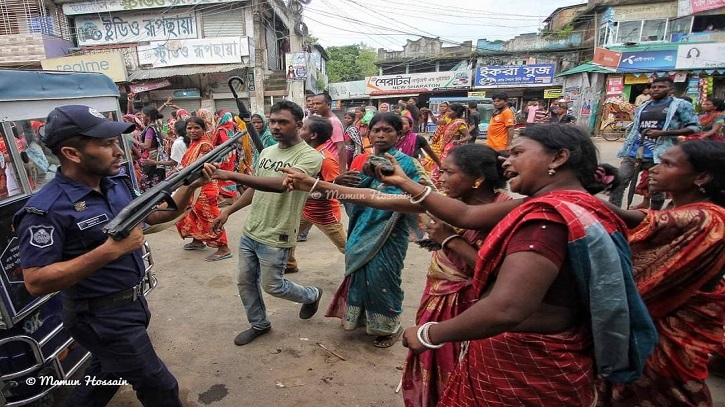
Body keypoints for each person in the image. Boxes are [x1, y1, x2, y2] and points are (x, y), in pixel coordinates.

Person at [384, 124, 657, 406]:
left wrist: (430, 333)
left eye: (517, 153)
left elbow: (508, 307)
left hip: (525, 360)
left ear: (558, 158)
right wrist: (404, 182)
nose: (506, 161)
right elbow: (466, 214)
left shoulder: (545, 220)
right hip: (550, 351)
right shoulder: (567, 203)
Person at [14, 105, 215, 407]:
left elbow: (154, 215)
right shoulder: (47, 209)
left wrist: (191, 186)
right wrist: (110, 251)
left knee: (106, 376)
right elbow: (36, 281)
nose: (119, 151)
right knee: (160, 387)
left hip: (130, 305)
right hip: (99, 317)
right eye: (106, 144)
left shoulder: (114, 184)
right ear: (72, 153)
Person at [598, 140, 725, 406]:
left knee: (671, 391)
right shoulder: (679, 209)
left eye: (668, 164)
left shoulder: (709, 217)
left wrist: (573, 192)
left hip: (675, 330)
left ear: (701, 177)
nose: (654, 170)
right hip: (663, 324)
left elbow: (646, 221)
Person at [402, 144, 511, 407]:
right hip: (439, 295)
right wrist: (320, 187)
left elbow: (497, 271)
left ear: (478, 179)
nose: (440, 177)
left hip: (472, 306)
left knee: (463, 368)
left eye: (448, 172)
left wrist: (449, 239)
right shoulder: (450, 203)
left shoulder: (504, 211)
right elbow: (377, 197)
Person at [210, 100, 323, 346]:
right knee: (245, 281)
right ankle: (259, 323)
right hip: (252, 230)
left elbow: (282, 186)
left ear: (299, 124)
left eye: (283, 122)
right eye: (272, 121)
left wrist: (230, 174)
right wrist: (228, 210)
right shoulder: (268, 152)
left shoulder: (310, 157)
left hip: (278, 232)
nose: (275, 127)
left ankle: (312, 294)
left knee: (273, 286)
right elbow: (256, 186)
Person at [609, 77, 700, 210]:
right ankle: (614, 214)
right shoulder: (643, 106)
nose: (656, 89)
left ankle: (654, 216)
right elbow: (636, 129)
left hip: (661, 154)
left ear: (671, 89)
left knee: (657, 188)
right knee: (618, 181)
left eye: (661, 87)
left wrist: (662, 133)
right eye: (654, 87)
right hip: (634, 152)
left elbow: (695, 128)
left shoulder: (680, 105)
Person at [285, 116, 346, 274]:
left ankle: (363, 267)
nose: (299, 130)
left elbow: (333, 189)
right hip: (306, 210)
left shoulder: (325, 160)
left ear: (313, 135)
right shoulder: (307, 154)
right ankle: (288, 264)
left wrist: (305, 195)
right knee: (287, 235)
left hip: (324, 214)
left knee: (346, 247)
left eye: (303, 128)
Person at [175, 117, 232, 261]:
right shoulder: (193, 144)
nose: (192, 131)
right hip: (193, 186)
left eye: (196, 128)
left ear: (203, 129)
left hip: (204, 187)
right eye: (189, 128)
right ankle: (197, 240)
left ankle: (223, 247)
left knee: (209, 217)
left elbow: (200, 169)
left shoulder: (205, 145)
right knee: (190, 214)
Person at [309, 93, 347, 170]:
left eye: (318, 103)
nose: (314, 106)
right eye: (313, 104)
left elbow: (341, 147)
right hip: (325, 163)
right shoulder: (322, 120)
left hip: (333, 165)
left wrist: (342, 171)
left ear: (328, 105)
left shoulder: (333, 122)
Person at [138, 107, 166, 191]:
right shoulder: (156, 126)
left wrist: (134, 141)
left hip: (150, 158)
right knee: (157, 182)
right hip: (158, 156)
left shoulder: (150, 129)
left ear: (149, 117)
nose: (141, 118)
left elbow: (147, 145)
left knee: (148, 183)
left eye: (142, 115)